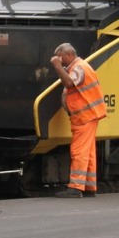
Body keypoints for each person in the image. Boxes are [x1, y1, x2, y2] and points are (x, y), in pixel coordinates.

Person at [50, 42, 107, 198]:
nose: (59, 60)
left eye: (60, 57)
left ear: (69, 54)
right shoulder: (81, 66)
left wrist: (57, 66)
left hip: (84, 116)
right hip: (87, 115)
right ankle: (89, 187)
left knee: (79, 151)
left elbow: (69, 83)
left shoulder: (79, 67)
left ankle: (75, 187)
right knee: (88, 152)